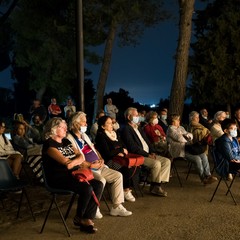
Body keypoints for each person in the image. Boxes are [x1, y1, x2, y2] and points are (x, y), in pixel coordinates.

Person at [42, 117, 103, 234]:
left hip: (74, 174)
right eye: (62, 127)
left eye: (65, 126)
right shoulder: (49, 145)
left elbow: (80, 157)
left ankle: (87, 218)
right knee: (87, 188)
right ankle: (79, 218)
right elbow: (65, 163)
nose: (66, 129)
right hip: (58, 178)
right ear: (53, 129)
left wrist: (74, 162)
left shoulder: (66, 141)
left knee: (98, 184)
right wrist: (74, 162)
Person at [67, 112, 132, 217]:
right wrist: (90, 165)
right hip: (87, 169)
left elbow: (94, 149)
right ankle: (94, 207)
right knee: (101, 180)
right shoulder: (69, 138)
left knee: (118, 175)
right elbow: (75, 159)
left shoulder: (84, 135)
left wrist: (101, 159)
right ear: (76, 123)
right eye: (84, 122)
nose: (86, 124)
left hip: (98, 165)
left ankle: (116, 207)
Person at [121, 107, 171, 197]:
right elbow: (133, 147)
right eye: (136, 116)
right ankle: (156, 186)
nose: (138, 117)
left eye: (138, 115)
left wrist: (153, 151)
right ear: (129, 117)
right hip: (138, 156)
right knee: (157, 164)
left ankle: (155, 184)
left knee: (166, 161)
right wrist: (147, 154)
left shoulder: (138, 127)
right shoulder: (126, 129)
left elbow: (147, 141)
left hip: (148, 154)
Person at [95, 116, 138, 201]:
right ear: (103, 126)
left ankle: (126, 188)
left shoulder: (114, 134)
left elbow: (124, 147)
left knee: (132, 166)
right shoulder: (101, 136)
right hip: (108, 160)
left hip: (119, 158)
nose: (112, 125)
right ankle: (125, 190)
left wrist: (120, 151)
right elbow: (107, 153)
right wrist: (120, 150)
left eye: (112, 123)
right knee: (126, 168)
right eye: (109, 123)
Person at [167, 114, 217, 184]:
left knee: (204, 156)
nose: (179, 121)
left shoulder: (181, 128)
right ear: (172, 122)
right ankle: (203, 179)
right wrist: (185, 137)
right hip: (180, 150)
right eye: (177, 120)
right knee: (197, 159)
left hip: (189, 148)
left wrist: (186, 136)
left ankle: (208, 175)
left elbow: (190, 135)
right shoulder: (171, 129)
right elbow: (180, 138)